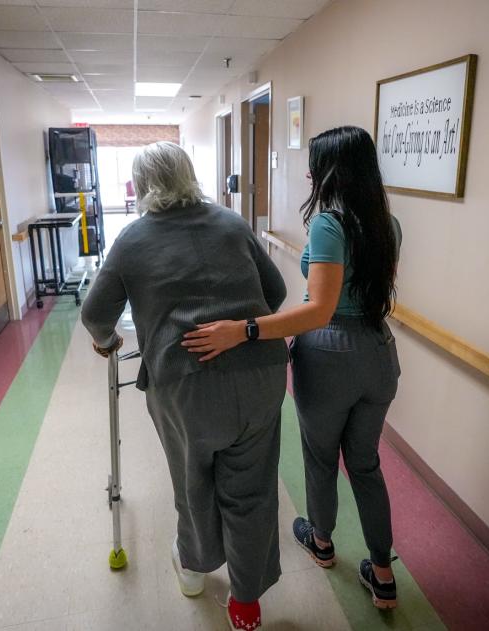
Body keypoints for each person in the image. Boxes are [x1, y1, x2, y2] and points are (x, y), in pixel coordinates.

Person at [182, 126, 403, 609]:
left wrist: (245, 329)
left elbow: (320, 310)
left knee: (321, 457)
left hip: (330, 357)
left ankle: (321, 542)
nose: (309, 172)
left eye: (315, 162)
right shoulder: (387, 224)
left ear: (334, 170)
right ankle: (383, 574)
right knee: (365, 464)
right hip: (379, 352)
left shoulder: (329, 225)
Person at [81, 142, 288, 631]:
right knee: (253, 489)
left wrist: (108, 343)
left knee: (195, 481)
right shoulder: (232, 223)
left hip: (186, 386)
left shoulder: (132, 239)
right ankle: (246, 602)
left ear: (141, 184)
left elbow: (94, 314)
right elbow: (275, 294)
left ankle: (194, 572)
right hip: (261, 374)